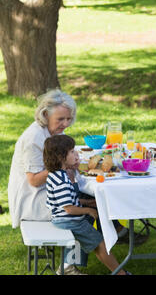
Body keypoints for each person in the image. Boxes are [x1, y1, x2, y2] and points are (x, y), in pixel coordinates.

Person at [7, 89, 142, 275]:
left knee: (94, 198)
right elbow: (34, 180)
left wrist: (71, 165)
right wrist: (63, 166)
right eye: (61, 119)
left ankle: (107, 234)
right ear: (45, 114)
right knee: (88, 203)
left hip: (49, 192)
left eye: (69, 118)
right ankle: (96, 249)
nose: (66, 123)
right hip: (34, 200)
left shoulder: (48, 132)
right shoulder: (34, 138)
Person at [43, 134, 130, 275]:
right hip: (69, 221)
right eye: (71, 151)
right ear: (60, 157)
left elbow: (70, 199)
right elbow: (69, 209)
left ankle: (69, 266)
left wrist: (89, 202)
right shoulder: (61, 181)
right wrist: (88, 210)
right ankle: (120, 273)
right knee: (99, 243)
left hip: (65, 219)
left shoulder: (58, 174)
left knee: (97, 213)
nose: (75, 153)